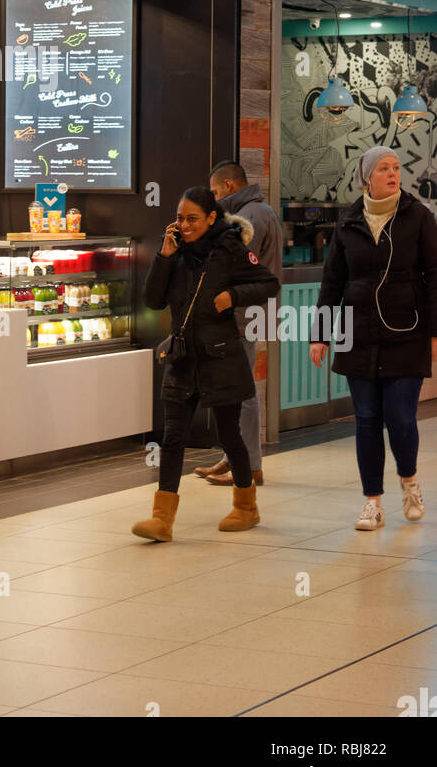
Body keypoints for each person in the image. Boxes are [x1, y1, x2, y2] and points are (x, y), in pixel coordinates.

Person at [132, 186, 279, 542]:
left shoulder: (229, 249)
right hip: (183, 356)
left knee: (229, 435)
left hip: (220, 356)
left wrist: (233, 296)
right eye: (180, 218)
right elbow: (152, 300)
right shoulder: (175, 252)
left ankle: (246, 507)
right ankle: (161, 519)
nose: (184, 225)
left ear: (211, 218)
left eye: (192, 219)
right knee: (173, 438)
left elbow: (269, 284)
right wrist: (164, 257)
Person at [310, 147, 437, 531]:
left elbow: (434, 276)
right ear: (368, 176)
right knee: (366, 420)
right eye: (384, 168)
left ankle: (410, 480)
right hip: (357, 334)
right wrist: (320, 334)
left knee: (400, 417)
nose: (393, 173)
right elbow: (332, 281)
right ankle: (372, 503)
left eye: (397, 168)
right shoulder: (348, 222)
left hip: (407, 332)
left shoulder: (418, 216)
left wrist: (434, 332)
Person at [194, 160, 283, 486]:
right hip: (249, 313)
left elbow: (233, 269)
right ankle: (235, 457)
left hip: (244, 315)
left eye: (216, 192)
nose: (214, 198)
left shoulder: (250, 217)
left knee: (242, 392)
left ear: (229, 187)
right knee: (237, 389)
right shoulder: (259, 211)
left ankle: (249, 466)